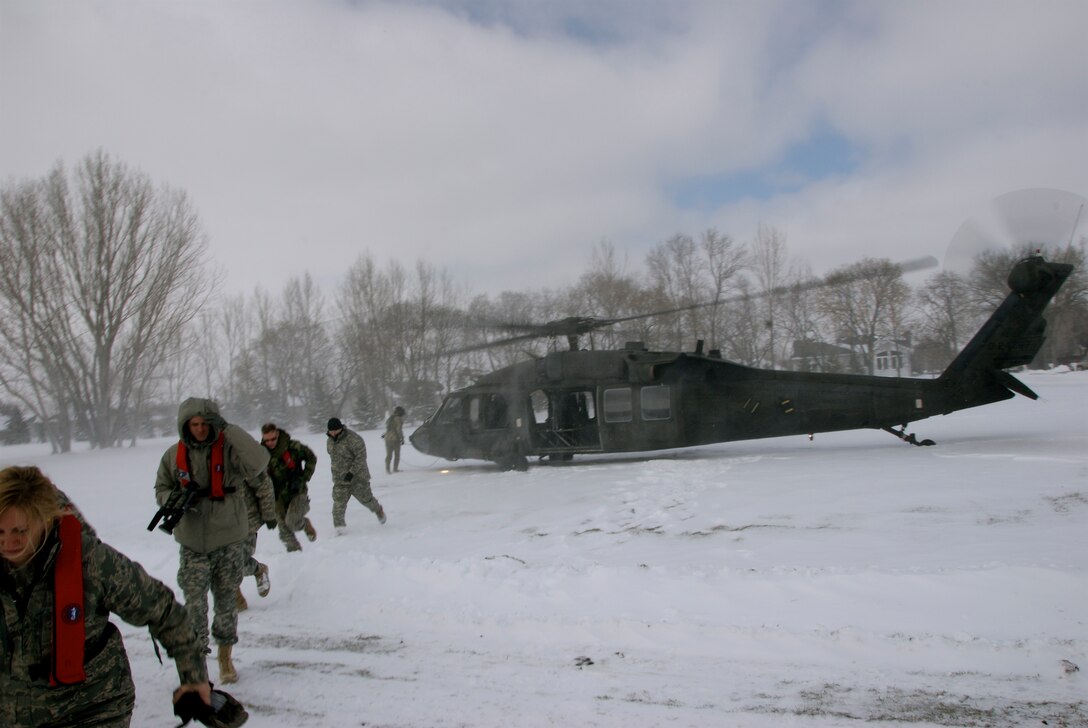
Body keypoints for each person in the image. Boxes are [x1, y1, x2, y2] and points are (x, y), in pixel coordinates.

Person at [0, 465, 212, 728]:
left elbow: (164, 611)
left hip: (91, 708)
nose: (9, 543)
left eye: (20, 531)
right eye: (0, 532)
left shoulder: (92, 563)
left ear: (45, 520)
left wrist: (194, 678)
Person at [154, 397, 269, 685]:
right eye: (194, 424)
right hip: (192, 542)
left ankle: (225, 657)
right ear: (185, 425)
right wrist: (173, 499)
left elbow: (258, 461)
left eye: (206, 423)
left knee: (227, 602)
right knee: (194, 603)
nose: (201, 429)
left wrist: (228, 429)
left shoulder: (229, 450)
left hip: (229, 538)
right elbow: (161, 486)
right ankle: (197, 660)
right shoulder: (173, 455)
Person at [260, 422, 318, 552]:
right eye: (267, 440)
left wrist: (303, 477)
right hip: (276, 494)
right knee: (284, 530)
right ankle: (294, 556)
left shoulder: (293, 447)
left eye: (273, 439)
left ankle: (304, 523)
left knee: (292, 522)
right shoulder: (261, 454)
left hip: (296, 491)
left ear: (277, 434)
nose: (270, 442)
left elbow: (311, 457)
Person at [326, 417, 385, 533]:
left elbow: (361, 457)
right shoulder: (330, 440)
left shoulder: (354, 439)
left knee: (367, 500)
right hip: (340, 481)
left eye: (335, 431)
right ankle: (340, 529)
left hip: (357, 478)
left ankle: (378, 510)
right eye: (330, 431)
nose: (332, 433)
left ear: (341, 428)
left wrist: (351, 473)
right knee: (338, 506)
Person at [237, 470, 277, 611]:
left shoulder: (240, 455)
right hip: (218, 522)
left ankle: (258, 570)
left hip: (246, 520)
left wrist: (269, 514)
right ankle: (236, 601)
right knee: (220, 564)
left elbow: (263, 485)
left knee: (237, 563)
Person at [382, 406, 406, 474]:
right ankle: (395, 469)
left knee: (389, 455)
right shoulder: (399, 419)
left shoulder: (390, 418)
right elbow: (399, 430)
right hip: (395, 439)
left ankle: (387, 469)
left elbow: (388, 428)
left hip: (387, 438)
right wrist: (402, 438)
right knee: (397, 454)